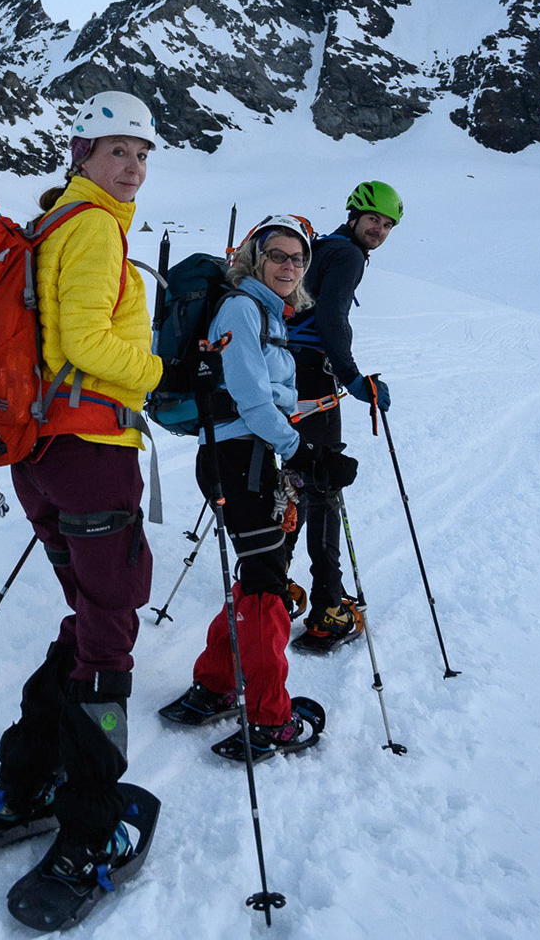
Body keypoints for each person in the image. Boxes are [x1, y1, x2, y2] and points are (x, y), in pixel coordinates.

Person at [0, 90, 165, 898]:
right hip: (91, 451)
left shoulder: (50, 226)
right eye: (116, 150)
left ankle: (24, 785)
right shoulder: (93, 227)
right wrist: (163, 370)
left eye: (141, 153)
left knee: (92, 619)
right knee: (108, 635)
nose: (131, 166)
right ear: (81, 154)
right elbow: (86, 344)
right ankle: (92, 828)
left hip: (38, 459)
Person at [167, 216, 355, 756]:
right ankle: (270, 716)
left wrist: (309, 427)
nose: (289, 266)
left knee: (257, 576)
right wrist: (304, 453)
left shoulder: (266, 312)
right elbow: (250, 398)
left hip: (244, 456)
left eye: (298, 259)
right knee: (268, 583)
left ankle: (217, 683)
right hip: (237, 460)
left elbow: (264, 397)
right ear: (254, 258)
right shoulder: (242, 309)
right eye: (277, 255)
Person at [285, 180, 401, 649]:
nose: (379, 230)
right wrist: (354, 379)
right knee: (323, 486)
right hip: (313, 377)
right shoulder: (348, 254)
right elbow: (332, 318)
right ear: (353, 214)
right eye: (373, 219)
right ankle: (328, 609)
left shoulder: (320, 247)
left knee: (294, 480)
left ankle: (272, 588)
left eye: (388, 225)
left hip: (285, 373)